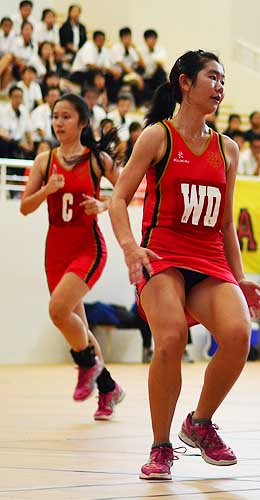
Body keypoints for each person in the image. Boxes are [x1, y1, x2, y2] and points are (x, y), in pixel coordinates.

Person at [108, 49, 260, 480]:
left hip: (209, 258)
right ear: (185, 82)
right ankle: (161, 446)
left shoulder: (228, 149)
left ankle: (199, 423)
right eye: (212, 78)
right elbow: (118, 198)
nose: (220, 86)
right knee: (171, 337)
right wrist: (129, 248)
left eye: (223, 80)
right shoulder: (157, 137)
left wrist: (239, 279)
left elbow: (225, 222)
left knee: (238, 334)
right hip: (161, 255)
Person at [19, 93, 125, 420]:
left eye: (66, 117)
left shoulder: (96, 160)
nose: (59, 123)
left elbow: (126, 191)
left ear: (81, 122)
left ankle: (86, 367)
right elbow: (25, 207)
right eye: (55, 117)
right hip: (56, 250)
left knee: (58, 310)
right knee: (77, 323)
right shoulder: (43, 161)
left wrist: (104, 204)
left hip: (87, 247)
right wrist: (47, 190)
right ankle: (108, 388)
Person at [140, 29, 167, 103]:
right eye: (150, 38)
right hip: (145, 77)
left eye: (154, 38)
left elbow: (161, 64)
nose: (153, 40)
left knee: (161, 73)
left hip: (156, 77)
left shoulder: (161, 50)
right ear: (145, 40)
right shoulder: (141, 51)